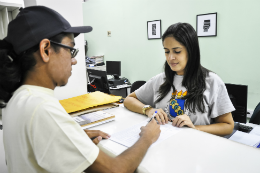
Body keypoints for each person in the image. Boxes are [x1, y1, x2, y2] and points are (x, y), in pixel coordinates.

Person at [0, 6, 161, 173]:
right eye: (71, 50)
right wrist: (147, 137)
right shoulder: (42, 108)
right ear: (46, 49)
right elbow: (116, 170)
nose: (74, 61)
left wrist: (71, 139)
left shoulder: (17, 98)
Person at [124, 22, 235, 136]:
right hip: (162, 145)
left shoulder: (212, 81)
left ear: (191, 51)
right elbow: (128, 100)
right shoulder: (160, 79)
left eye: (177, 51)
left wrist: (194, 128)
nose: (170, 57)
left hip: (195, 146)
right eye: (167, 51)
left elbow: (227, 126)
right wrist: (148, 110)